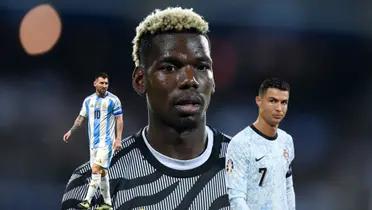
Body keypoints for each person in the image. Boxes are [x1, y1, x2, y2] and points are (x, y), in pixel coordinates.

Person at [61, 7, 231, 210]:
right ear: (140, 80)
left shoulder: (254, 171)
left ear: (213, 82)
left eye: (202, 67)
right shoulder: (94, 183)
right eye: (170, 67)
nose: (190, 80)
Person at [225, 78, 295, 210]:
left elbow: (288, 187)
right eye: (272, 101)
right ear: (259, 101)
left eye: (284, 102)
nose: (279, 108)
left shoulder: (286, 141)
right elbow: (236, 197)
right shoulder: (241, 143)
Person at [62, 72, 124, 210]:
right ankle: (107, 203)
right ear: (95, 83)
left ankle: (87, 201)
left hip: (107, 142)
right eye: (101, 83)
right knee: (102, 173)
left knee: (96, 169)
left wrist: (118, 139)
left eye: (106, 83)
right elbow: (80, 118)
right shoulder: (88, 101)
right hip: (93, 143)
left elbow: (119, 119)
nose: (104, 86)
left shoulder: (113, 100)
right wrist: (71, 131)